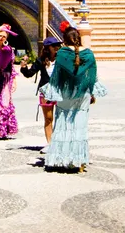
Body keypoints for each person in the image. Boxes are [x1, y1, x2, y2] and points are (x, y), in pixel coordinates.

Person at [40, 21, 106, 172]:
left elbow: (56, 76)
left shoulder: (62, 53)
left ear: (64, 39)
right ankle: (79, 161)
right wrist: (91, 92)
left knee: (63, 124)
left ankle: (62, 158)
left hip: (66, 94)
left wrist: (51, 93)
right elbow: (92, 76)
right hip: (82, 94)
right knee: (79, 126)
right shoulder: (89, 54)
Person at [20, 36, 62, 146]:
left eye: (58, 45)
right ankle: (50, 144)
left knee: (61, 117)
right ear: (48, 48)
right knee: (49, 118)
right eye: (54, 45)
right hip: (46, 91)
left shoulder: (62, 59)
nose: (57, 47)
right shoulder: (40, 60)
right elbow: (29, 74)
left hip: (60, 90)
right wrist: (24, 67)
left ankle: (60, 142)